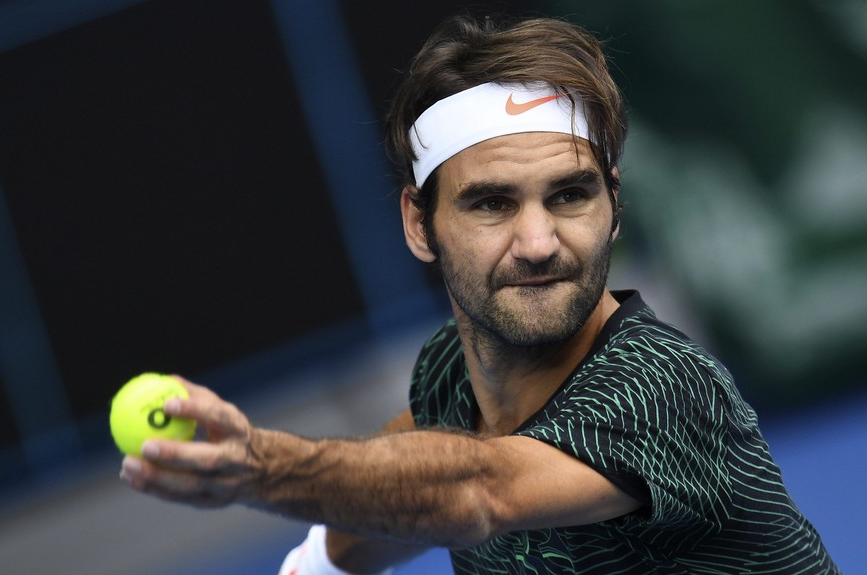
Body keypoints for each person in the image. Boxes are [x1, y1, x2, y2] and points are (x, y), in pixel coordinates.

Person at [119, 13, 840, 575]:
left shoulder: (663, 387)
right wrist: (313, 563)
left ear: (614, 204)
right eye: (491, 203)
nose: (537, 241)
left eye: (569, 195)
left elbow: (476, 491)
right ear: (417, 222)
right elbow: (406, 469)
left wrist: (262, 464)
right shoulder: (448, 372)